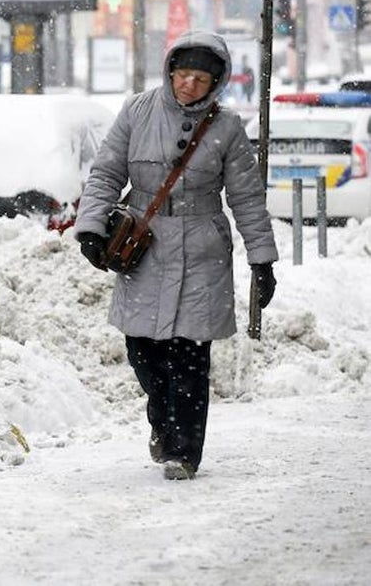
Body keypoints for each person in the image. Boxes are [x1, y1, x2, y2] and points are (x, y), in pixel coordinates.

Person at [74, 31, 278, 481]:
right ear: (169, 71)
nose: (189, 85)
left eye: (200, 78)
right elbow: (107, 171)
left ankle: (184, 450)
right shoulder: (137, 110)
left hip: (203, 249)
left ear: (216, 82)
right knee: (142, 349)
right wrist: (90, 228)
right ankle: (160, 418)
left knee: (189, 354)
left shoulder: (226, 128)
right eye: (183, 74)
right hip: (143, 245)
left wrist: (261, 259)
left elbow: (246, 197)